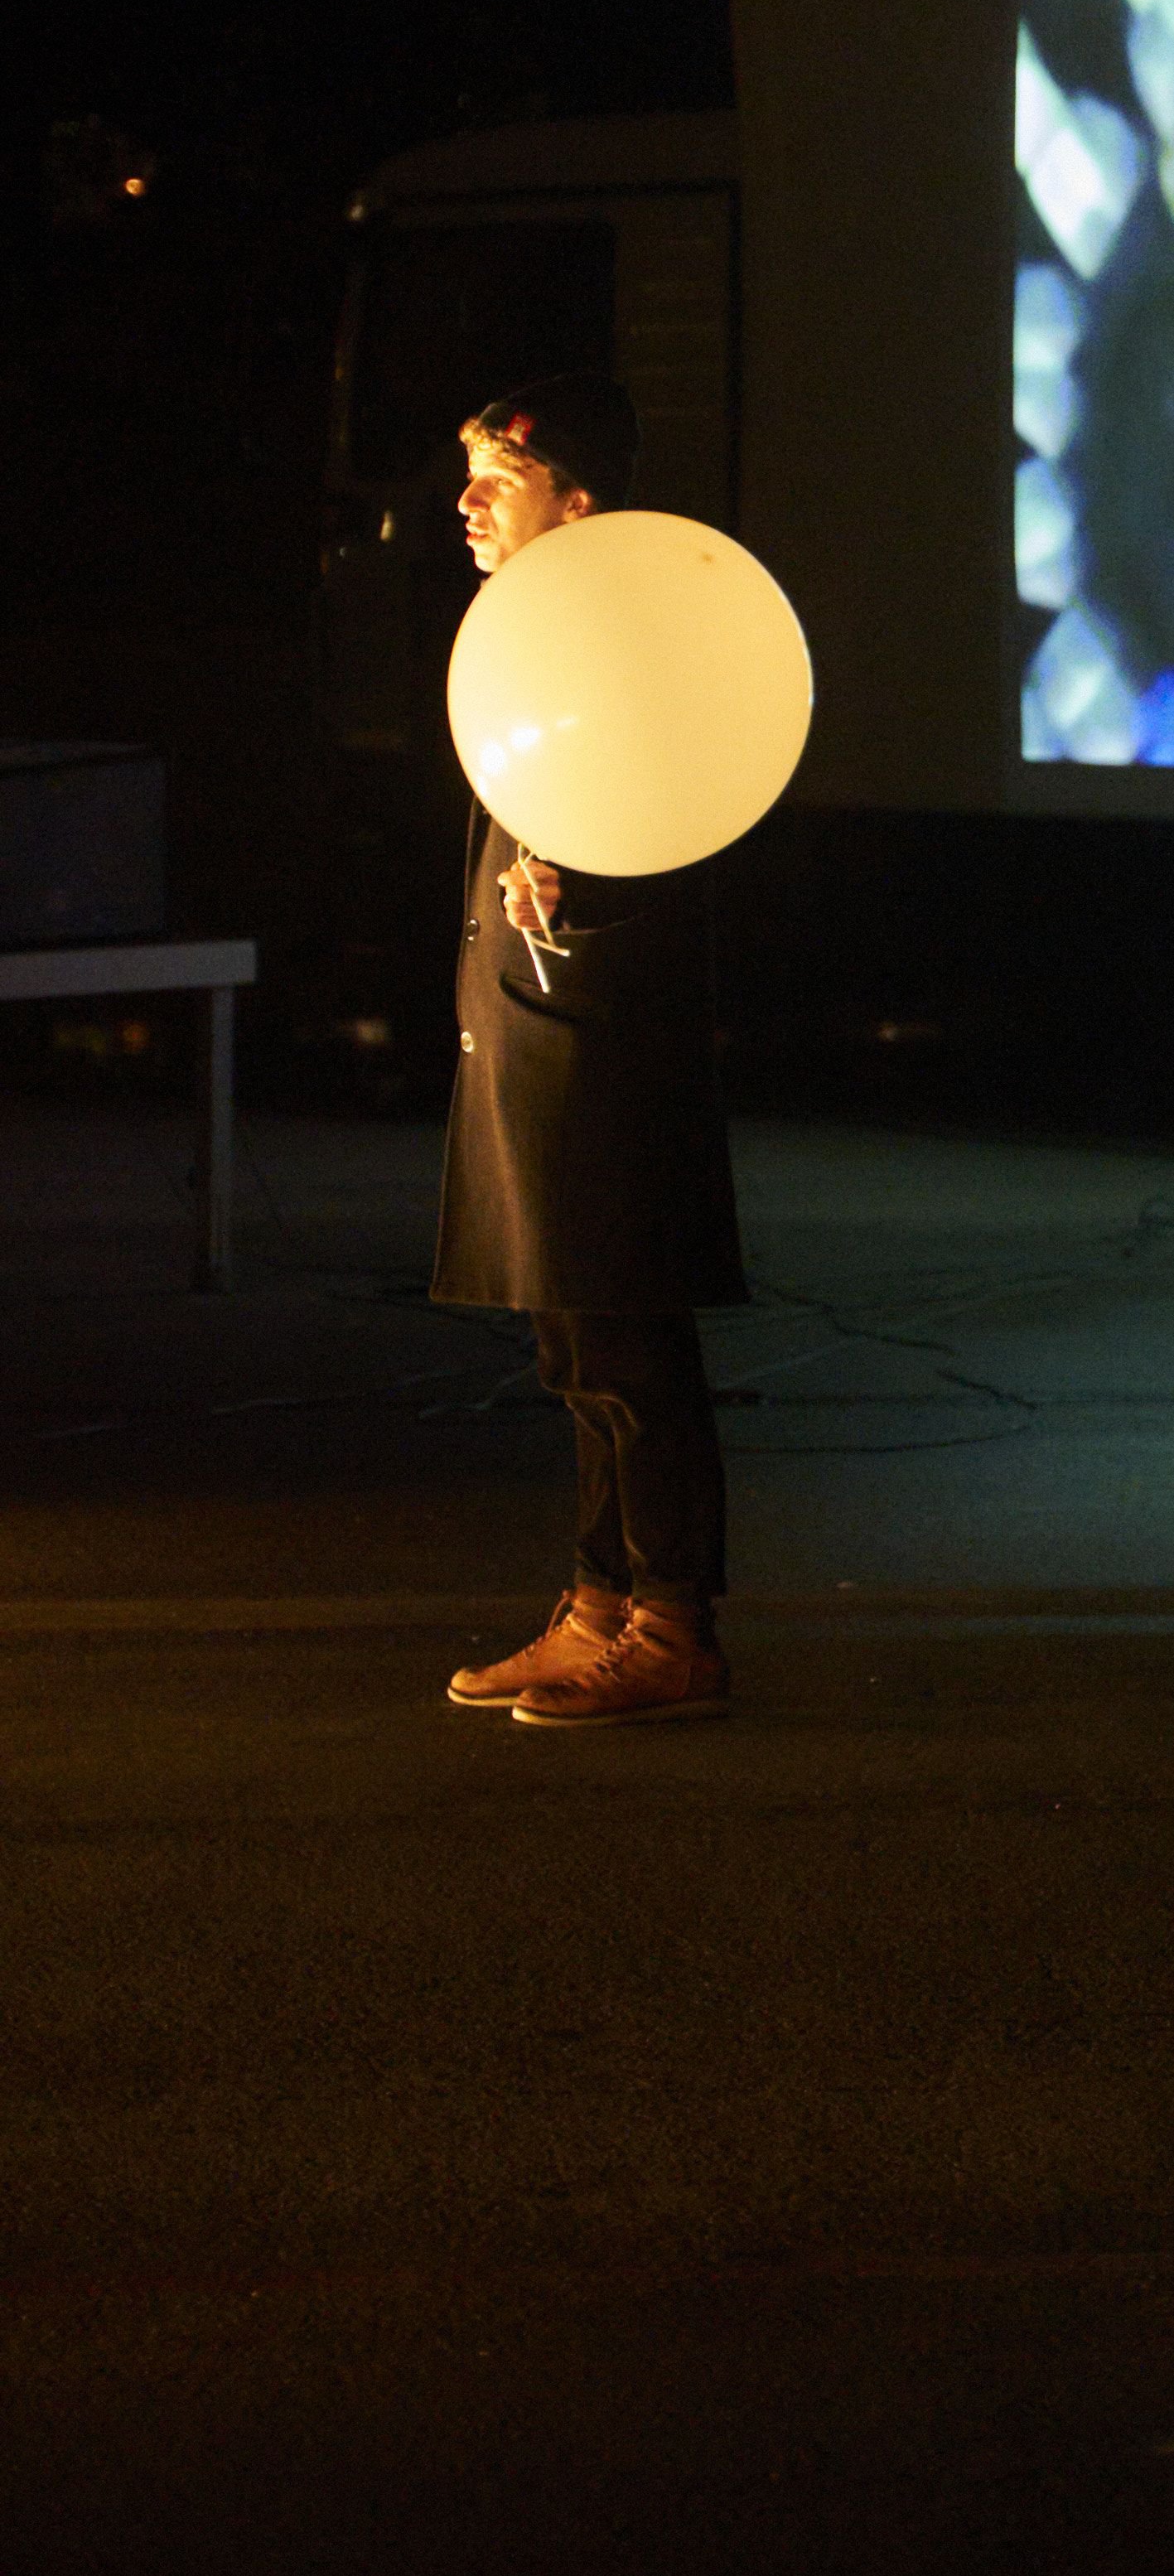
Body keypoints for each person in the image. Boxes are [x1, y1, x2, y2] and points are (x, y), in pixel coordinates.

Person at [436, 376, 748, 1727]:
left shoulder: (641, 640)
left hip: (610, 1049)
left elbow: (698, 834)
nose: (463, 502)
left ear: (580, 501)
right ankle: (596, 1604)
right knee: (577, 1352)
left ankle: (671, 1624)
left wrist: (588, 899)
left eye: (495, 478)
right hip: (532, 1038)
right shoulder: (523, 639)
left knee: (627, 1343)